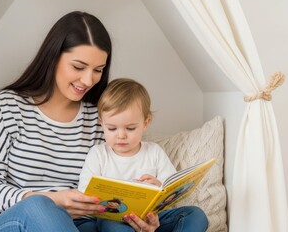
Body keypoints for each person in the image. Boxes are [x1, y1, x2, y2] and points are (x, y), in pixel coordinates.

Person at [0, 11, 160, 232]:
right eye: (78, 67)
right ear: (53, 57)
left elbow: (119, 188)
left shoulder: (101, 119)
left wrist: (141, 216)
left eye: (98, 70)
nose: (88, 80)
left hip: (79, 225)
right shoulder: (7, 106)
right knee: (39, 206)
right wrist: (52, 200)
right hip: (16, 222)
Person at [78, 78, 209, 232]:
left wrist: (159, 186)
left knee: (196, 215)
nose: (121, 135)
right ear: (101, 123)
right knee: (111, 225)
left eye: (130, 128)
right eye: (112, 129)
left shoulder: (154, 152)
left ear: (145, 123)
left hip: (153, 221)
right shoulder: (98, 154)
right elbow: (84, 192)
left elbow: (172, 191)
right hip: (114, 220)